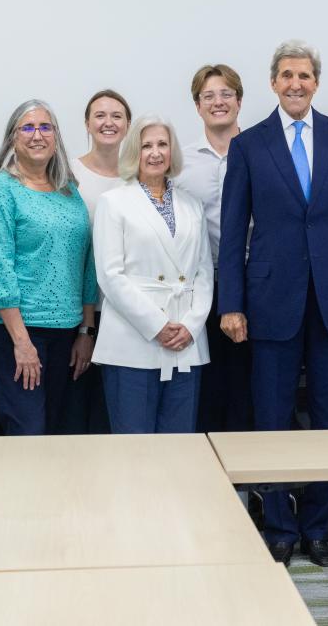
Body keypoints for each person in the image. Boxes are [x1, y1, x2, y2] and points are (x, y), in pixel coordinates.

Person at [218, 40, 328, 568]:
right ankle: (280, 528)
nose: (295, 83)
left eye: (305, 75)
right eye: (286, 75)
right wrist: (231, 304)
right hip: (269, 300)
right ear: (272, 82)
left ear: (316, 83)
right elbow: (232, 233)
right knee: (272, 417)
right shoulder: (249, 145)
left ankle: (317, 527)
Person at [0, 100, 98, 436]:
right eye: (27, 127)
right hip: (13, 330)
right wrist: (22, 342)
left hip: (66, 331)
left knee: (58, 431)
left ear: (56, 137)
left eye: (45, 127)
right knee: (29, 432)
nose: (37, 135)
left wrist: (86, 331)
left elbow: (86, 263)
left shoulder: (69, 192)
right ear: (13, 139)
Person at [93, 115, 211, 433]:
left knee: (180, 446)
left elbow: (203, 271)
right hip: (133, 341)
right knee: (135, 449)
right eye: (147, 146)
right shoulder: (113, 202)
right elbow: (110, 275)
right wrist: (158, 326)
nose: (155, 153)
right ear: (134, 152)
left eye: (162, 144)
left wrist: (191, 325)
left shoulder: (191, 205)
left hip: (186, 340)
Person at [175, 64, 251, 434]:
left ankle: (250, 489)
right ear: (197, 105)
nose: (218, 102)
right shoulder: (180, 163)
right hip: (200, 287)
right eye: (209, 96)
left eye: (226, 94)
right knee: (206, 387)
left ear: (239, 101)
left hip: (254, 284)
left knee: (248, 390)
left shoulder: (262, 152)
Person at [63, 88, 132, 435]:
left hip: (125, 312)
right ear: (87, 124)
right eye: (100, 116)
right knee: (80, 410)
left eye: (116, 116)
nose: (108, 122)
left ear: (128, 125)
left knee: (113, 412)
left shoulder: (137, 177)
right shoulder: (68, 175)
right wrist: (85, 326)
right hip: (78, 310)